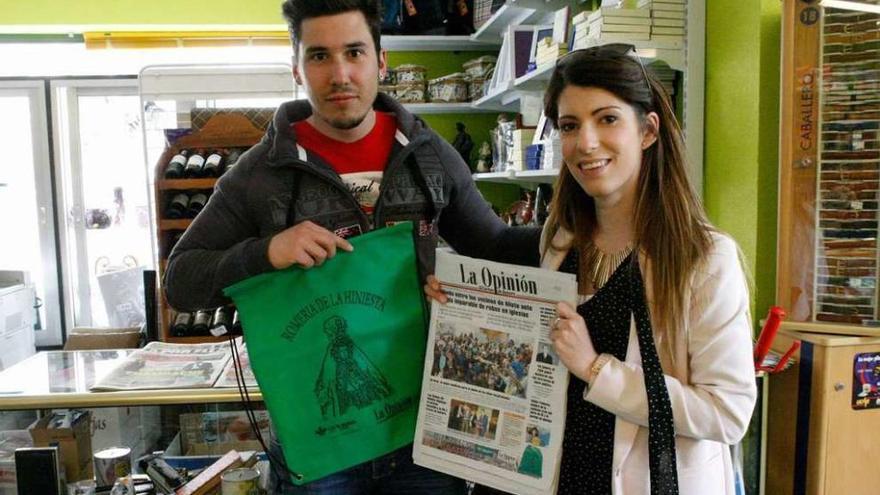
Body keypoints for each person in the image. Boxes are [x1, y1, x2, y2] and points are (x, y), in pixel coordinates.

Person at [163, 0, 539, 493]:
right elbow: (181, 280)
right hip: (319, 446)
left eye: (354, 52)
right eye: (319, 56)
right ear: (297, 67)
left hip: (422, 438)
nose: (340, 74)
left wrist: (582, 230)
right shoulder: (260, 173)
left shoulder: (428, 155)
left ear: (381, 62)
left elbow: (493, 245)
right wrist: (266, 252)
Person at [427, 44, 756, 494]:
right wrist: (466, 309)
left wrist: (597, 369)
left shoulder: (704, 258)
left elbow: (727, 411)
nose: (586, 142)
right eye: (569, 125)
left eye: (607, 119)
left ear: (648, 130)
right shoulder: (559, 240)